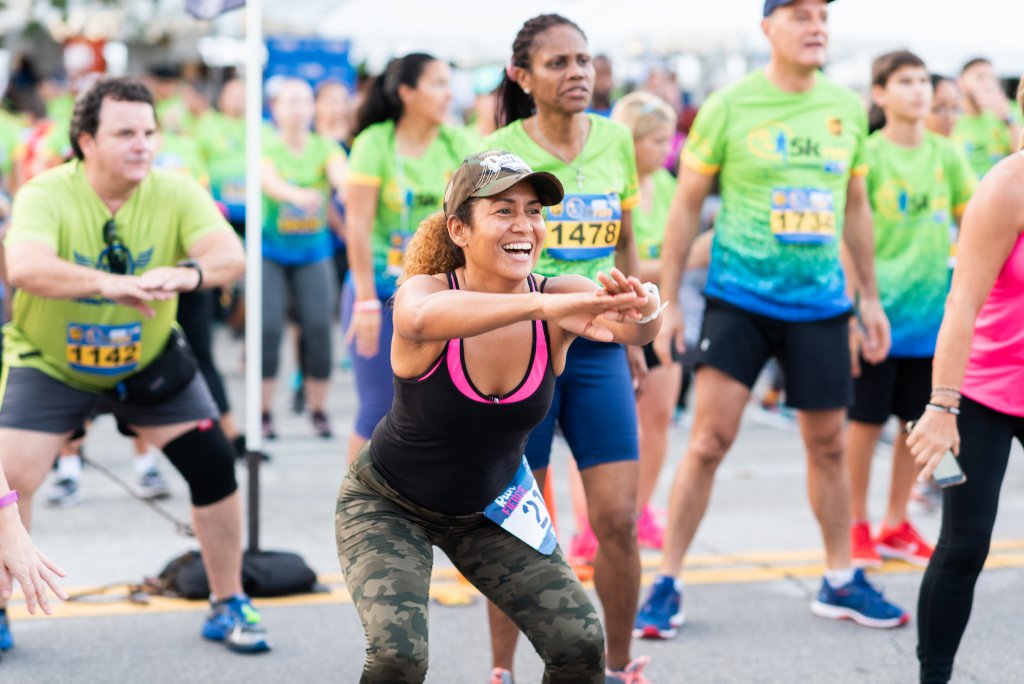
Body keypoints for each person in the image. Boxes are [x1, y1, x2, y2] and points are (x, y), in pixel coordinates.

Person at [634, 0, 908, 640]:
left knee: (829, 445)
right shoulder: (729, 106)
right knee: (709, 441)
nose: (816, 26)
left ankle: (840, 578)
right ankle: (667, 580)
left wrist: (869, 298)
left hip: (821, 304)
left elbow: (856, 207)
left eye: (823, 16)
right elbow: (685, 208)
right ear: (768, 28)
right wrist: (667, 300)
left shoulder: (844, 108)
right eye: (801, 15)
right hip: (739, 300)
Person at [335, 149, 662, 683]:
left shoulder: (558, 296)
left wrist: (643, 306)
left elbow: (634, 330)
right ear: (459, 229)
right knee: (398, 658)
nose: (524, 225)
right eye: (504, 210)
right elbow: (420, 318)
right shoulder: (427, 292)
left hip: (491, 509)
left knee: (579, 644)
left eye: (533, 211)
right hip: (389, 505)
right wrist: (542, 307)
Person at [0, 76, 267, 654]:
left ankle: (228, 600)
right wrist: (108, 284)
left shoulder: (175, 189)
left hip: (147, 362)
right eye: (125, 133)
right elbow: (23, 267)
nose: (142, 144)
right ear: (86, 141)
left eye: (149, 131)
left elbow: (230, 255)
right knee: (9, 483)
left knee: (215, 464)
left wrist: (189, 274)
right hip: (52, 364)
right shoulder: (45, 193)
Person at [484, 14, 650, 683]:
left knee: (618, 520)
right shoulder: (498, 151)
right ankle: (503, 670)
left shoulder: (615, 138)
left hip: (601, 349)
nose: (577, 72)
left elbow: (626, 240)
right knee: (518, 524)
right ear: (522, 76)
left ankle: (617, 665)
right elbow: (480, 257)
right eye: (558, 63)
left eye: (583, 59)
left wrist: (635, 337)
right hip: (522, 349)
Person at [908, 76, 1024, 684]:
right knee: (964, 544)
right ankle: (935, 677)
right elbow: (962, 304)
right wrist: (941, 406)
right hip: (986, 390)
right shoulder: (1008, 185)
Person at [845, 51, 976, 569]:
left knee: (915, 425)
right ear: (880, 93)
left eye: (923, 80)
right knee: (864, 423)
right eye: (905, 81)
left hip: (930, 320)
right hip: (877, 318)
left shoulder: (946, 156)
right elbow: (845, 236)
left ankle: (895, 523)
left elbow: (976, 221)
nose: (919, 90)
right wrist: (856, 310)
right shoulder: (868, 154)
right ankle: (855, 524)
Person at [343, 53, 475, 462]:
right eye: (438, 83)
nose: (448, 94)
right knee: (378, 410)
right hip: (381, 290)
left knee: (442, 412)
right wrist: (365, 300)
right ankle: (360, 498)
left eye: (449, 83)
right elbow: (357, 227)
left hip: (444, 294)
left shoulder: (458, 142)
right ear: (407, 92)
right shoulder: (374, 143)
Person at [611, 91, 681, 550]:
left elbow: (674, 261)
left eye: (668, 139)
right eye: (656, 140)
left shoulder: (668, 185)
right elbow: (626, 264)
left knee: (659, 419)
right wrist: (675, 262)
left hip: (661, 313)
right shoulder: (616, 186)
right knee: (611, 429)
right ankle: (594, 525)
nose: (666, 149)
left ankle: (641, 510)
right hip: (621, 315)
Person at [260, 78, 346, 439]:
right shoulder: (265, 145)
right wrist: (295, 195)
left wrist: (348, 190)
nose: (298, 109)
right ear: (276, 109)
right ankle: (263, 413)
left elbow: (342, 177)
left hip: (313, 252)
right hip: (270, 252)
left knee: (318, 328)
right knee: (267, 329)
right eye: (291, 102)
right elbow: (269, 182)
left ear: (313, 108)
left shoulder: (326, 148)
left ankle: (318, 409)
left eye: (304, 101)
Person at [954, 58, 1021, 178]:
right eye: (980, 77)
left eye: (992, 78)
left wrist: (1007, 119)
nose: (987, 83)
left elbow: (1021, 156)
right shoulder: (950, 120)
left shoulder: (1014, 110)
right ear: (960, 82)